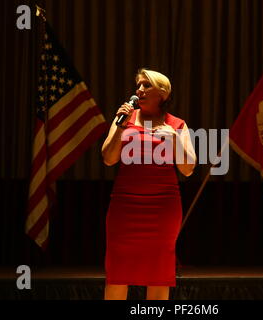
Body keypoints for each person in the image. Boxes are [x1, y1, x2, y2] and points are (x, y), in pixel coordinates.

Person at [101, 68, 196, 300]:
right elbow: (108, 158)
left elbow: (188, 169)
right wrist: (120, 127)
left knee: (158, 274)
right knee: (118, 273)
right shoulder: (123, 119)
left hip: (163, 209)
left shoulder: (176, 125)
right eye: (139, 86)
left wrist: (174, 141)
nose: (139, 90)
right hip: (125, 207)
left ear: (162, 94)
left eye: (146, 86)